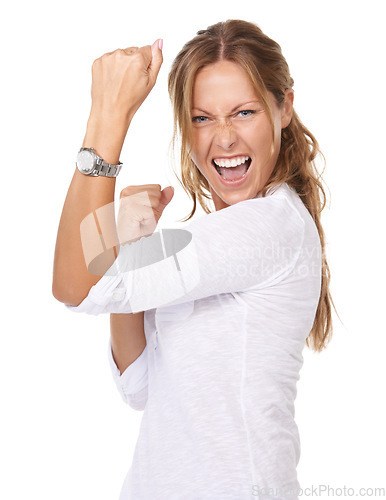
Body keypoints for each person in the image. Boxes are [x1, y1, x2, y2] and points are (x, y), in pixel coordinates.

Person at [52, 19, 335, 500]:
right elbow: (139, 386)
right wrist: (130, 246)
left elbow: (75, 285)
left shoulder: (267, 226)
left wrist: (108, 117)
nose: (223, 139)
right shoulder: (224, 240)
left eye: (243, 112)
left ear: (283, 106)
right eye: (202, 118)